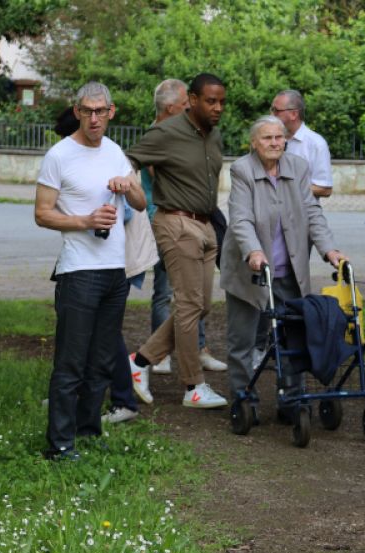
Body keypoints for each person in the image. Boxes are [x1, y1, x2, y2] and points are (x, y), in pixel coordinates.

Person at [34, 82, 146, 460]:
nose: (94, 118)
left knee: (100, 360)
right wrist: (85, 219)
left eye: (101, 111)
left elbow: (142, 202)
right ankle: (60, 444)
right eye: (87, 111)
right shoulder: (59, 155)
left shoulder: (115, 152)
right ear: (77, 111)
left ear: (111, 112)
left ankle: (87, 430)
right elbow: (42, 213)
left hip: (116, 270)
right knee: (71, 361)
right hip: (79, 271)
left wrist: (127, 185)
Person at [220, 116, 345, 405]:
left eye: (279, 137)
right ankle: (243, 397)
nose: (275, 143)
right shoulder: (242, 170)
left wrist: (330, 250)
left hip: (288, 269)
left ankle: (292, 398)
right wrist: (253, 251)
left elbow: (312, 212)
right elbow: (240, 219)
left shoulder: (298, 167)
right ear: (254, 143)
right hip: (250, 271)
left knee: (292, 336)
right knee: (243, 340)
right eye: (267, 138)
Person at [126, 73, 228, 409]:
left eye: (222, 102)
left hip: (206, 225)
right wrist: (128, 187)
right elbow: (130, 160)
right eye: (211, 101)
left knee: (200, 306)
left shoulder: (213, 136)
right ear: (193, 101)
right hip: (176, 223)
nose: (218, 108)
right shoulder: (166, 132)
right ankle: (193, 386)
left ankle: (138, 363)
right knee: (187, 306)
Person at [270, 90, 333, 199]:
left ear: (294, 114)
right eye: (272, 110)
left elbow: (325, 188)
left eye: (276, 110)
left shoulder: (316, 144)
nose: (272, 115)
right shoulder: (270, 139)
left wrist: (288, 188)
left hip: (301, 214)